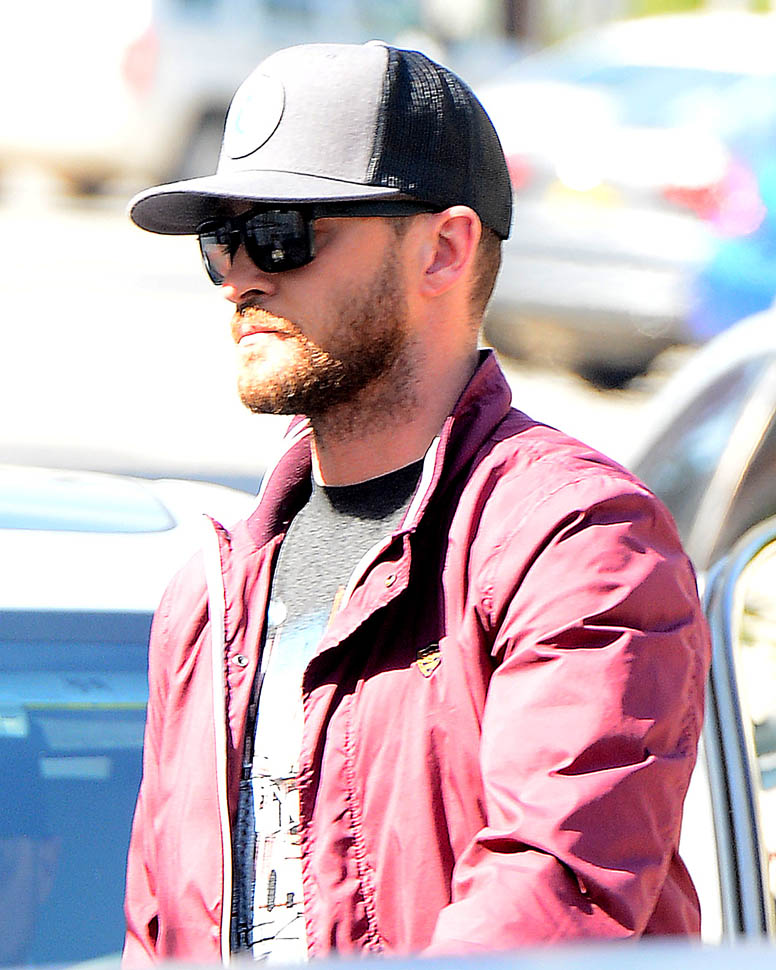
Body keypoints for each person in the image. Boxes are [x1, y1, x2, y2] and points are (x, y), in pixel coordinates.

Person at [122, 41, 711, 965]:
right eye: (219, 242)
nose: (241, 276)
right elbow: (156, 933)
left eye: (281, 231)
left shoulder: (578, 543)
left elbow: (552, 899)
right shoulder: (209, 596)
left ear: (444, 249)